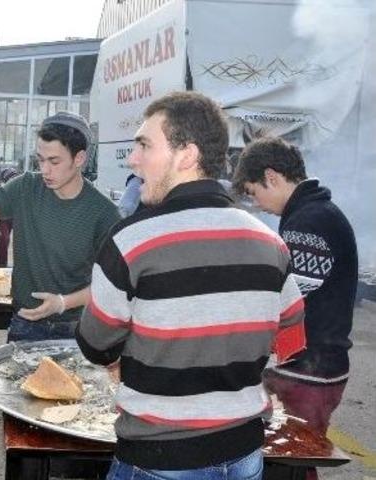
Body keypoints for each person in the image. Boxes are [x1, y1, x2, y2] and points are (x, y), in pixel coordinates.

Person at [76, 92, 306, 479]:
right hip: (245, 456)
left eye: (145, 145)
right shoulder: (271, 243)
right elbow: (290, 337)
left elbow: (95, 344)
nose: (133, 159)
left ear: (187, 155)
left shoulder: (132, 240)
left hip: (159, 460)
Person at [0, 113, 121, 341]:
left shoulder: (104, 213)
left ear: (79, 158)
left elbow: (114, 284)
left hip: (76, 329)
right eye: (39, 160)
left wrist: (63, 303)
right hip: (24, 322)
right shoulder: (25, 188)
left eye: (54, 161)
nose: (45, 170)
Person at [233, 137, 357, 438]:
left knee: (290, 456)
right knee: (294, 456)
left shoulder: (308, 223)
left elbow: (285, 301)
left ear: (271, 177)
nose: (257, 204)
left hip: (309, 370)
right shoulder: (316, 213)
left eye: (254, 193)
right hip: (316, 367)